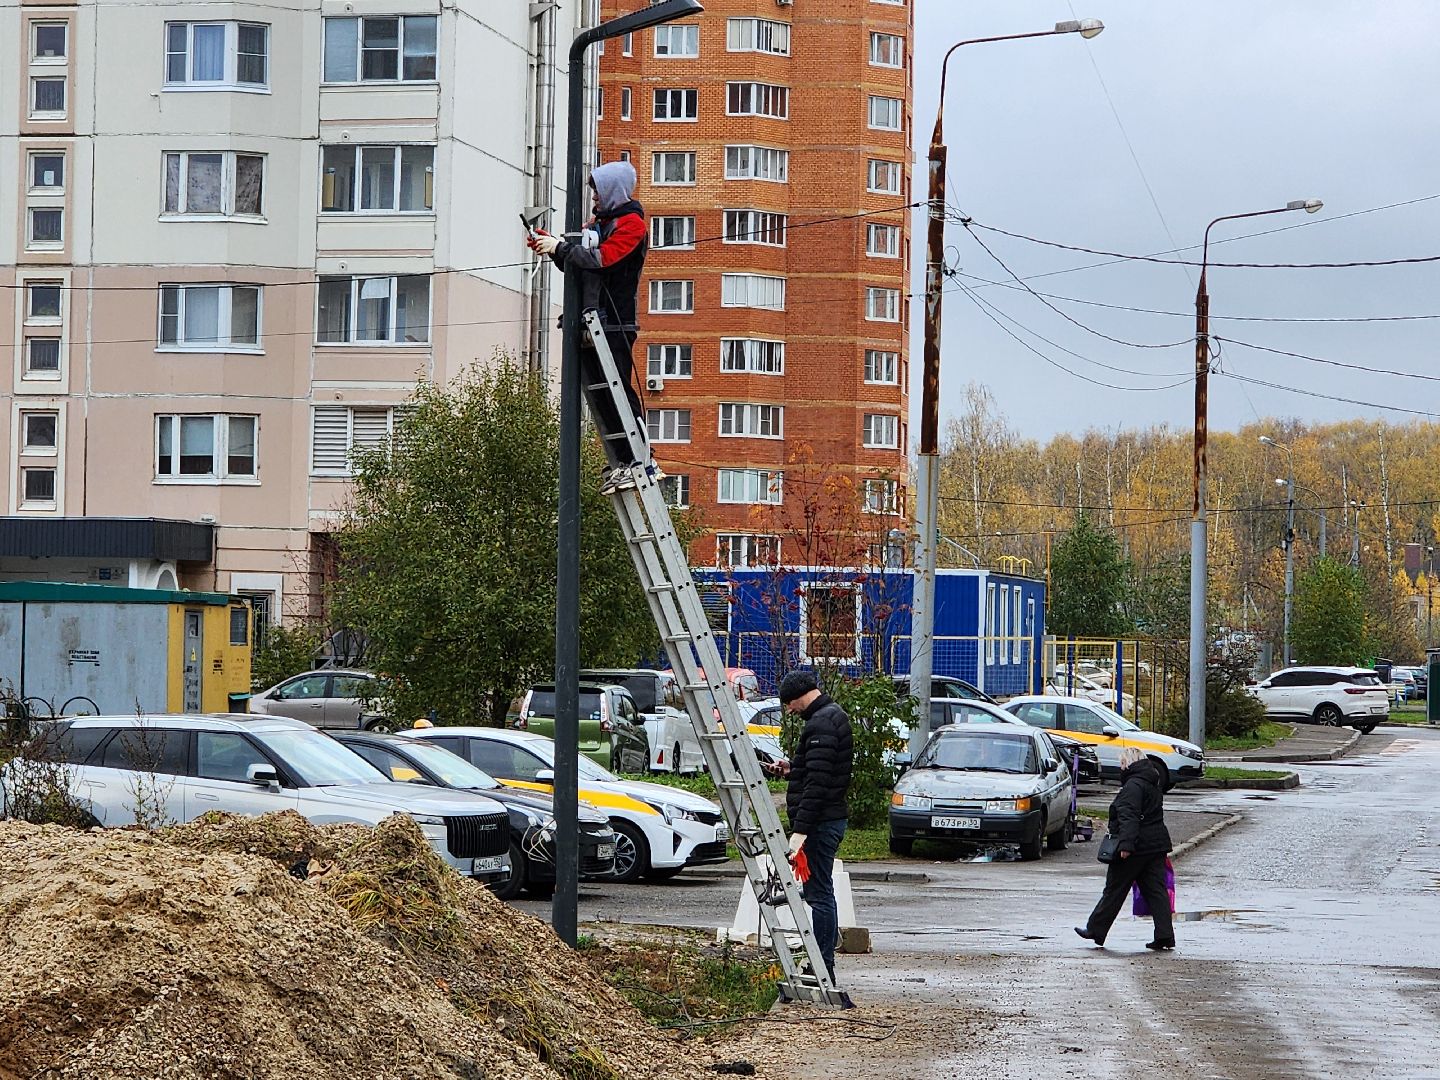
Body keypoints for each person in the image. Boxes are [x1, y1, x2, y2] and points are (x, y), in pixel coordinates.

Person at [527, 161, 659, 495]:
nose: (594, 198)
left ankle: (641, 459)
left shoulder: (631, 225)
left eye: (598, 191)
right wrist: (555, 248)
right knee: (602, 393)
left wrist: (561, 248)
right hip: (593, 317)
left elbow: (603, 260)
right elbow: (583, 264)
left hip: (614, 321)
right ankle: (623, 460)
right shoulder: (601, 223)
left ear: (613, 190)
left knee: (619, 391)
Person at [777, 669, 853, 987]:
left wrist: (800, 832)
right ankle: (822, 965)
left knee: (819, 895)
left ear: (800, 695)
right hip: (827, 819)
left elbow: (818, 785)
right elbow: (820, 770)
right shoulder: (830, 717)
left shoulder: (821, 722)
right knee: (821, 893)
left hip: (821, 823)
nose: (789, 710)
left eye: (789, 704)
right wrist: (792, 770)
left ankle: (823, 968)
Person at [1075, 746, 1175, 951]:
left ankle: (1095, 929)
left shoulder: (1133, 786)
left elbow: (1129, 817)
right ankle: (1165, 935)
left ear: (1128, 763)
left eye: (1122, 763)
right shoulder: (1153, 782)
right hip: (1156, 846)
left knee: (1114, 889)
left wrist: (1126, 845)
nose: (1121, 768)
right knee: (1156, 892)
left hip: (1135, 847)